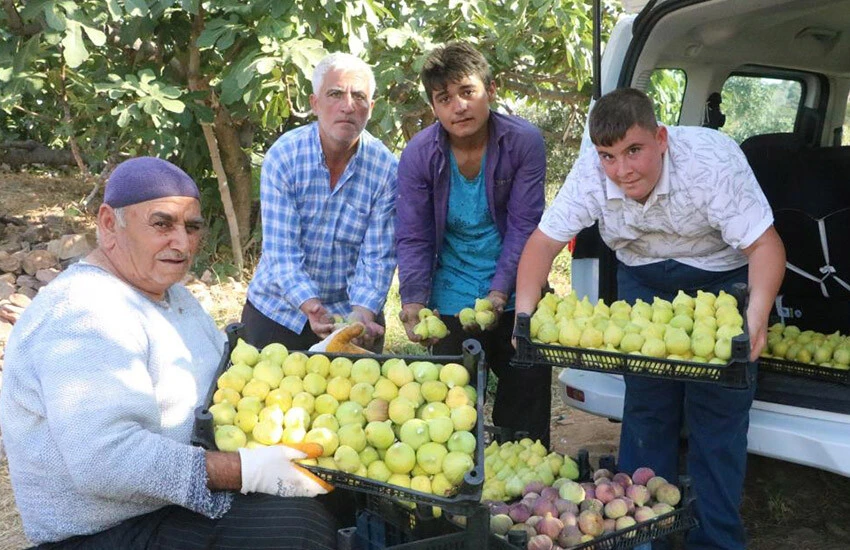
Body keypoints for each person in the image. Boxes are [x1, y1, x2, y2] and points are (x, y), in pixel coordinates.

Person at [0, 157, 338, 549]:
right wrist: (245, 471)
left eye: (191, 227)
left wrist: (320, 360)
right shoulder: (82, 312)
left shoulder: (172, 294)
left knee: (327, 501)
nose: (182, 243)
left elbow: (230, 377)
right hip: (104, 531)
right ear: (109, 224)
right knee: (294, 531)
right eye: (162, 224)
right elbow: (105, 461)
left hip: (167, 505)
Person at [515, 88, 786, 549]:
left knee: (717, 416)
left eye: (634, 151)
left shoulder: (711, 165)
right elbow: (543, 244)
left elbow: (766, 246)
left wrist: (754, 316)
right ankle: (642, 537)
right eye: (609, 156)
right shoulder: (592, 172)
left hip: (718, 281)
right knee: (646, 408)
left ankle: (715, 541)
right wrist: (524, 317)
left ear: (661, 138)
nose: (622, 170)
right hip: (641, 276)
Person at [395, 41, 552, 446]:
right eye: (444, 98)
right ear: (434, 107)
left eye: (467, 92)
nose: (458, 107)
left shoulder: (523, 142)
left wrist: (501, 292)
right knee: (451, 417)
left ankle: (525, 500)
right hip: (450, 296)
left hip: (519, 290)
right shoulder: (418, 155)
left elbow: (524, 226)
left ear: (491, 90)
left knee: (525, 416)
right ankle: (461, 503)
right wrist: (413, 300)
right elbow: (413, 234)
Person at [242, 52, 398, 352]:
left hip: (351, 314)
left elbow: (378, 257)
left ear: (371, 108)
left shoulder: (386, 169)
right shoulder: (284, 156)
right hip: (279, 309)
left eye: (359, 96)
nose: (348, 106)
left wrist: (362, 315)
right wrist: (312, 307)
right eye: (335, 94)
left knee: (359, 397)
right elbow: (282, 251)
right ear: (314, 104)